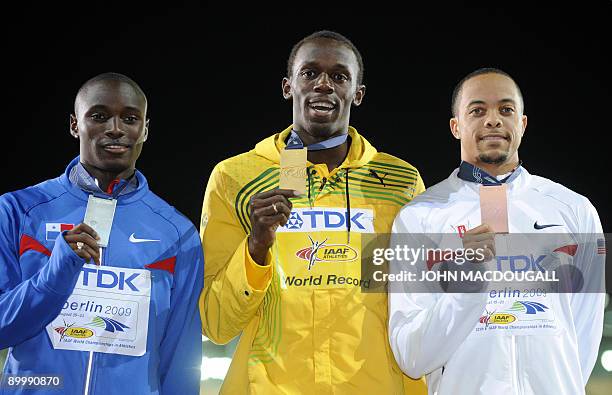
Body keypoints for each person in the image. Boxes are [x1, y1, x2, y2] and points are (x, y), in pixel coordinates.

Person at [199, 30, 427, 393]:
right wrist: (255, 250)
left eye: (339, 76)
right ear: (289, 86)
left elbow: (417, 301)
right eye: (310, 73)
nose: (323, 84)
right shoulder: (235, 177)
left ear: (358, 93)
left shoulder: (400, 181)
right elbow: (216, 323)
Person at [388, 68, 605, 394]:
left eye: (506, 110)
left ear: (523, 123)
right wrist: (467, 283)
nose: (493, 120)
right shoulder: (418, 218)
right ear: (456, 126)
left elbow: (583, 337)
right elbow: (411, 356)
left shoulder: (575, 210)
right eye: (477, 111)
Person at [0, 73, 204, 395]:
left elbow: (181, 357)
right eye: (99, 116)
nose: (116, 128)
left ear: (145, 130)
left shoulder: (177, 233)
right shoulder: (17, 211)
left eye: (130, 118)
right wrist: (58, 272)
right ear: (74, 124)